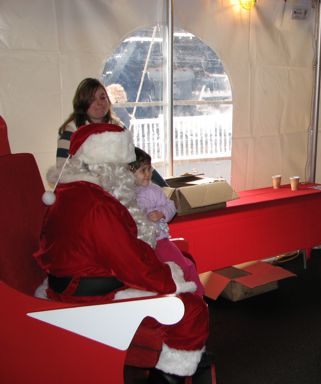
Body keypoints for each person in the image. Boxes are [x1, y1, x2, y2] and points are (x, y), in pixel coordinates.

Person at [34, 123, 209, 384]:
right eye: (123, 168)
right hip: (88, 296)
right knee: (191, 310)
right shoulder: (97, 204)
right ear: (107, 166)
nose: (128, 176)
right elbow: (132, 264)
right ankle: (169, 376)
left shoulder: (69, 193)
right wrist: (170, 280)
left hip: (68, 283)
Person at [54, 77, 168, 188]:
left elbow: (138, 160)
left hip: (122, 190)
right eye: (92, 99)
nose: (99, 103)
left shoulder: (118, 127)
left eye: (102, 98)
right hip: (87, 192)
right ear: (83, 104)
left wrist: (164, 187)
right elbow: (62, 173)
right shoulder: (71, 132)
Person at [129, 147, 205, 297]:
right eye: (143, 170)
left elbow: (171, 205)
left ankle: (198, 296)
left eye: (149, 169)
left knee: (184, 266)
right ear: (129, 173)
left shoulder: (153, 190)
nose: (148, 174)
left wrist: (161, 212)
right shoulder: (125, 193)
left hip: (159, 240)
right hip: (139, 245)